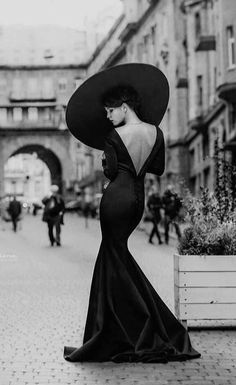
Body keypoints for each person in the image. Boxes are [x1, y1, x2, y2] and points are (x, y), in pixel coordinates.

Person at [64, 63, 200, 363]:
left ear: (124, 107)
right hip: (136, 201)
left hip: (115, 200)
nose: (108, 117)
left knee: (114, 260)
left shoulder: (114, 138)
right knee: (117, 259)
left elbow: (112, 171)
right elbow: (158, 168)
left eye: (111, 111)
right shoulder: (156, 132)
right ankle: (127, 328)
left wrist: (108, 159)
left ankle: (136, 328)